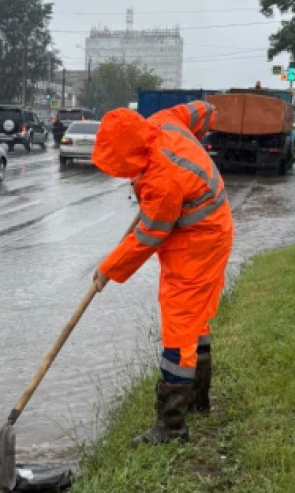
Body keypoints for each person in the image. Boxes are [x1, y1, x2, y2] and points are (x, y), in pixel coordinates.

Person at [91, 101, 234, 446]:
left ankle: (171, 426)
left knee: (179, 328)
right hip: (213, 229)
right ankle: (199, 401)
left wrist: (107, 269)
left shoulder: (162, 180)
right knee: (196, 320)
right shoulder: (165, 121)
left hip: (197, 242)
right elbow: (204, 110)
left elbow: (147, 236)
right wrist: (192, 142)